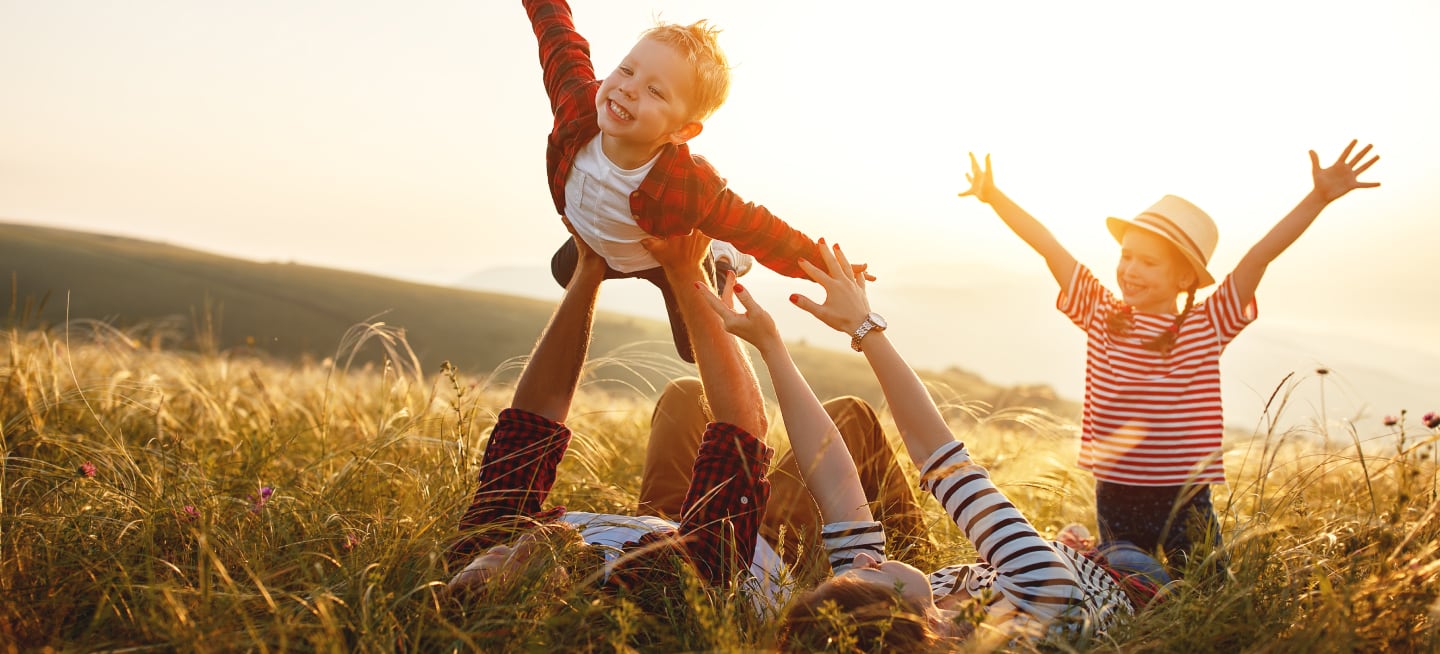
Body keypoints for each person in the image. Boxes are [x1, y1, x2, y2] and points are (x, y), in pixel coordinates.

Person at [957, 141, 1381, 575]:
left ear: (1183, 277)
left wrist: (1318, 198)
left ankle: (1096, 556)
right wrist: (994, 197)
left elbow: (1260, 255)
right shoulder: (1101, 314)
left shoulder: (1208, 323)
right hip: (1117, 487)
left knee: (1205, 584)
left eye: (1149, 262)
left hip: (1186, 491)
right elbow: (1049, 247)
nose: (1130, 270)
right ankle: (1092, 560)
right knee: (1128, 582)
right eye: (1126, 256)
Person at [696, 242, 1147, 648]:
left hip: (1056, 553)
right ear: (904, 623)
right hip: (1121, 572)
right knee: (1133, 551)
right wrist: (864, 327)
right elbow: (941, 457)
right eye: (871, 572)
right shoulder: (1041, 600)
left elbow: (836, 480)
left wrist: (772, 346)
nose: (866, 557)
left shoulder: (899, 608)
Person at [445, 224, 774, 608]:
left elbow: (531, 424)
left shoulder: (477, 557)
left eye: (486, 560)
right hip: (763, 549)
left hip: (660, 525)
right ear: (540, 606)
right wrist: (687, 274)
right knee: (845, 419)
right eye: (514, 561)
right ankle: (709, 271)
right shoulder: (639, 603)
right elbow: (745, 430)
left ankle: (700, 268)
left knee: (686, 395)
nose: (517, 543)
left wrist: (589, 268)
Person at [520, 0, 847, 363]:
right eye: (626, 70)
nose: (628, 88)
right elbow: (558, 38)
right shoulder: (576, 102)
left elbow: (759, 230)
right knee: (560, 272)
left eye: (655, 91)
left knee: (695, 349)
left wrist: (823, 268)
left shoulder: (692, 189)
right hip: (598, 239)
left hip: (661, 255)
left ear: (682, 130)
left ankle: (721, 258)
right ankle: (605, 254)